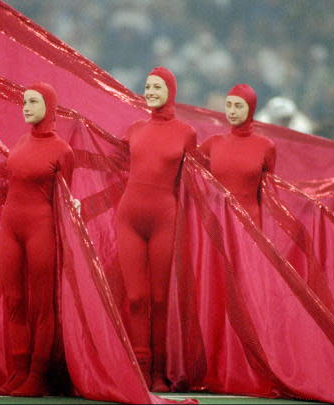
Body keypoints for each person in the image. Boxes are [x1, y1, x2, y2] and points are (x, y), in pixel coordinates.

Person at [115, 67, 197, 392]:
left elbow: (198, 185)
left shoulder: (186, 133)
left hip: (165, 219)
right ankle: (140, 369)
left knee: (161, 299)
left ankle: (160, 372)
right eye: (147, 86)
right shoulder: (133, 129)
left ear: (171, 91)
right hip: (129, 218)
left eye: (157, 86)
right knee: (136, 297)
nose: (150, 91)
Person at [0, 82, 74, 396]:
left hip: (41, 229)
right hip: (10, 226)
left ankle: (37, 376)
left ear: (49, 106)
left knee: (41, 306)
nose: (25, 107)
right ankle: (18, 371)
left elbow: (66, 199)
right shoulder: (19, 142)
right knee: (14, 300)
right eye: (23, 102)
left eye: (32, 101)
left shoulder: (62, 151)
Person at [199, 83, 275, 228]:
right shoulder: (212, 144)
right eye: (229, 105)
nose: (232, 111)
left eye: (238, 106)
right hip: (218, 223)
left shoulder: (266, 146)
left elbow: (270, 195)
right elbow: (189, 174)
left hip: (250, 225)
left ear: (251, 108)